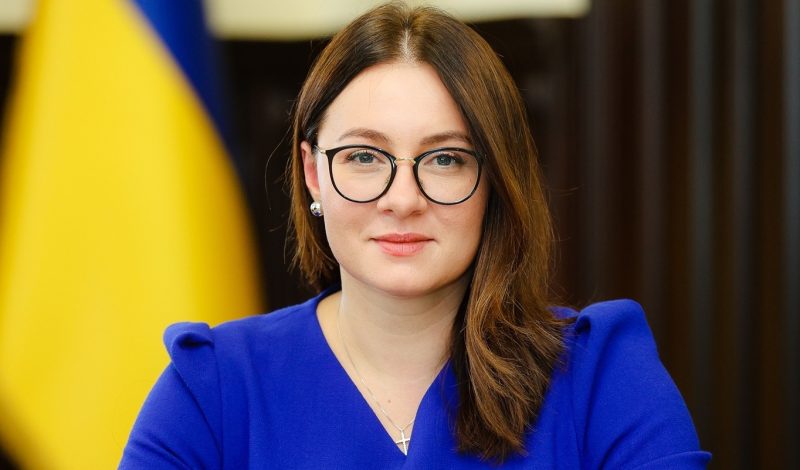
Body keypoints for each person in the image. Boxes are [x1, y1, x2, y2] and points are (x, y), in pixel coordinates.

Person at [120, 2, 710, 468]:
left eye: (446, 159)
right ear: (312, 173)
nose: (403, 200)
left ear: (495, 180)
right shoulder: (211, 391)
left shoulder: (602, 379)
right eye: (364, 156)